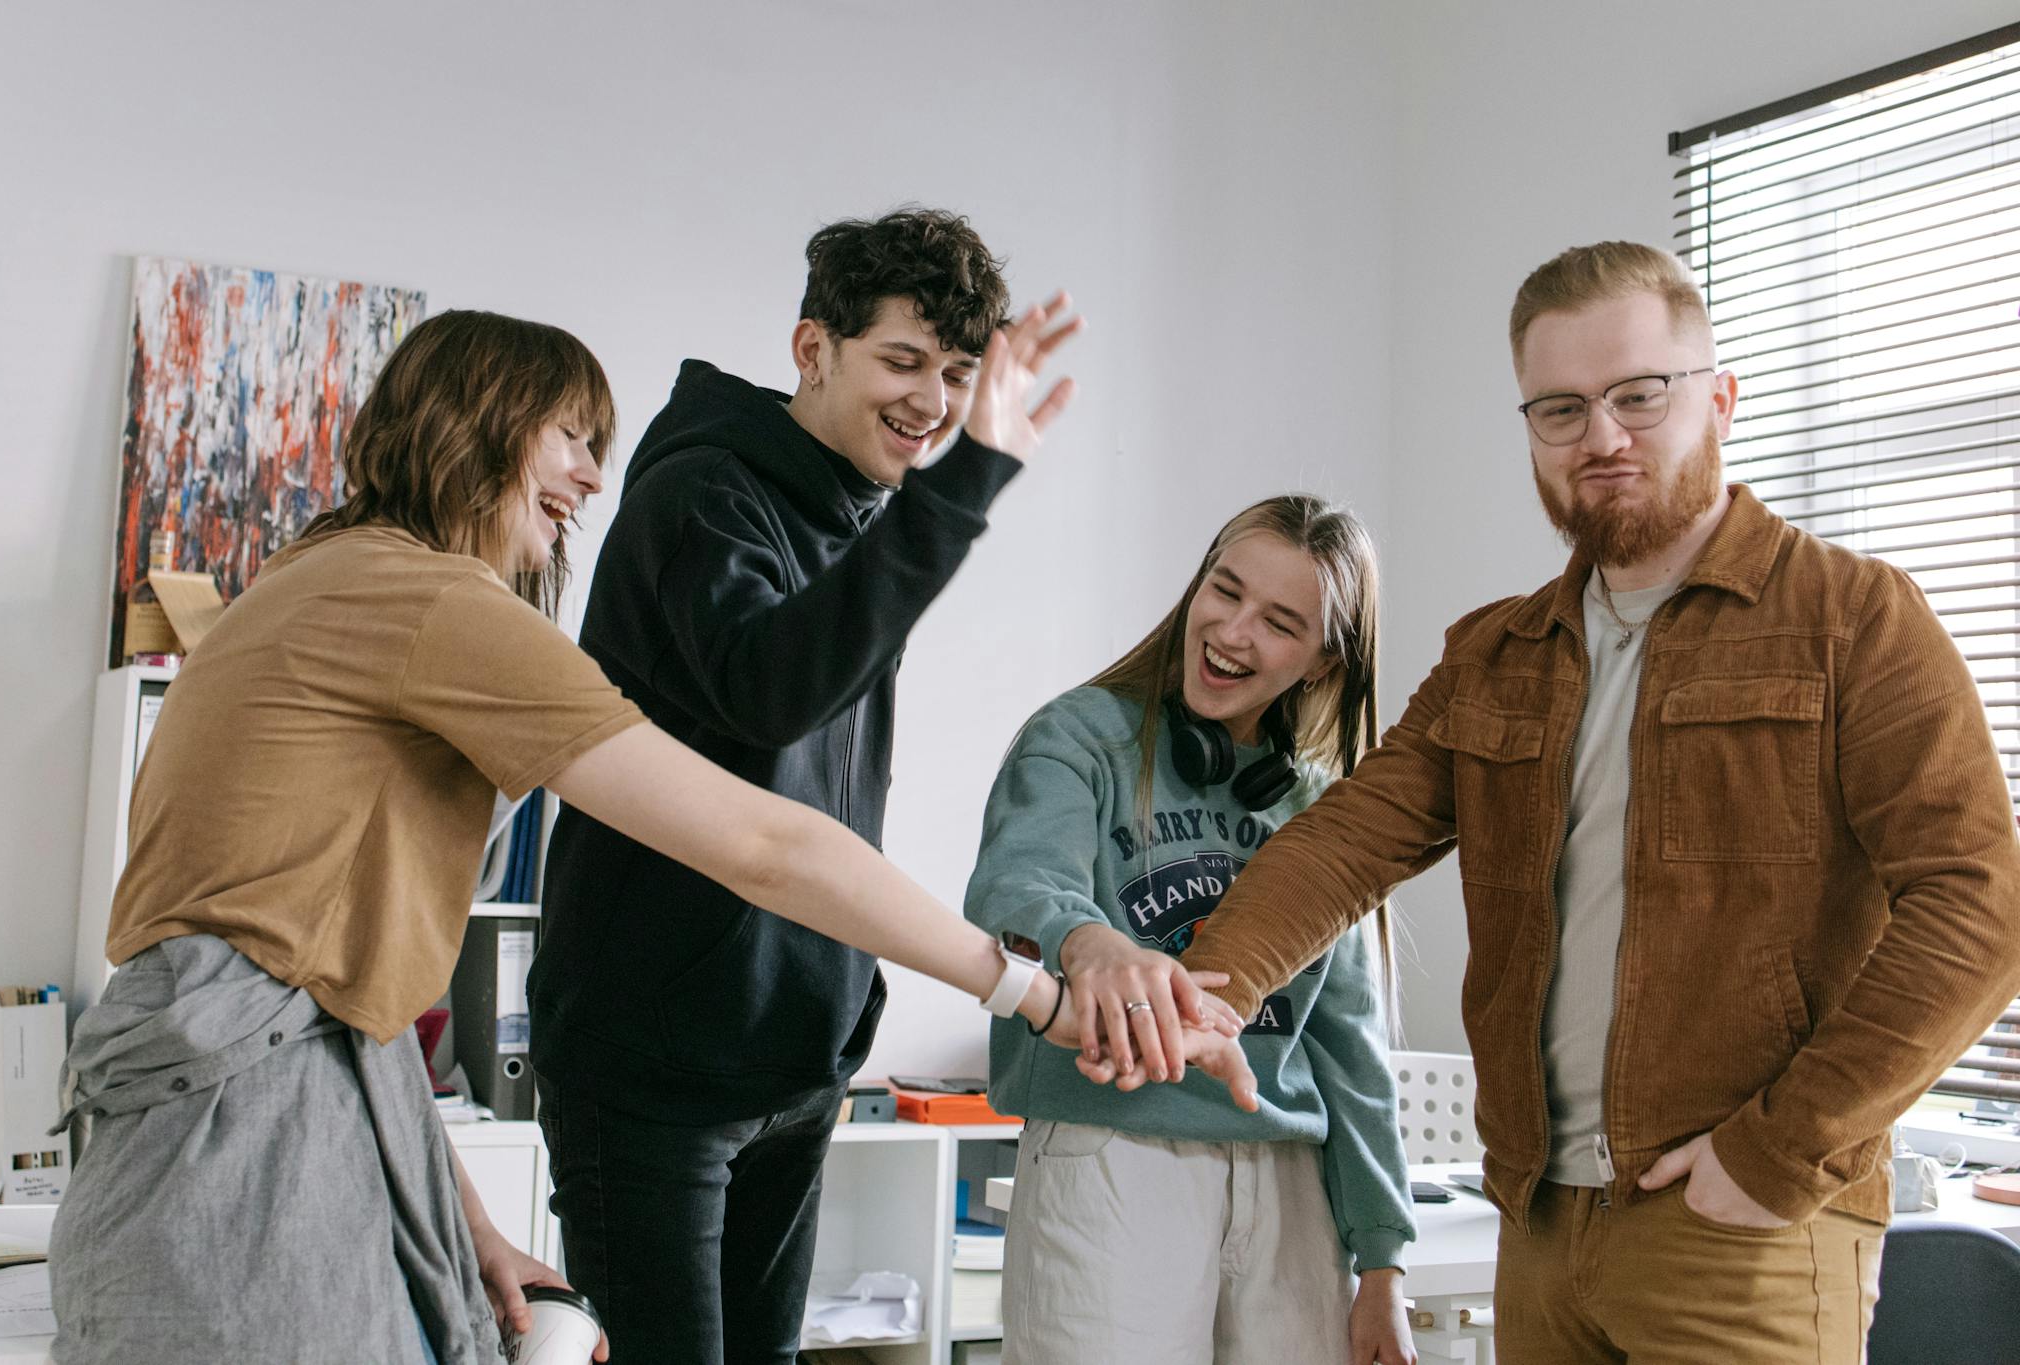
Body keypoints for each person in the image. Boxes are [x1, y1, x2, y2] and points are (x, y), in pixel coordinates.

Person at [47, 308, 1252, 1365]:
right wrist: (1032, 994)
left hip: (238, 1091)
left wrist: (468, 1234)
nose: (585, 476)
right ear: (476, 417)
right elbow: (764, 847)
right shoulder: (427, 600)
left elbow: (328, 994)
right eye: (568, 435)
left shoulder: (315, 578)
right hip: (236, 1120)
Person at [1176, 241, 2020, 1363]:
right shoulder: (1496, 652)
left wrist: (1775, 1153)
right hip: (1535, 1224)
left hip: (1742, 1228)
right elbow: (1345, 843)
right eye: (1560, 409)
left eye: (1638, 395)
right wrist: (1207, 992)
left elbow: (1976, 905)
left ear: (1717, 398)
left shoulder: (1851, 616)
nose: (1602, 438)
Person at [528, 208, 1108, 1364]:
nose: (933, 403)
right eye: (901, 361)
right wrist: (971, 481)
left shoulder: (856, 510)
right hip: (652, 1069)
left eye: (953, 374)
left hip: (796, 1059)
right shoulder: (700, 497)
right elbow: (769, 693)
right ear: (812, 350)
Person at [965, 495, 1418, 1365]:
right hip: (1115, 1157)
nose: (1233, 631)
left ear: (1325, 662)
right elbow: (1019, 881)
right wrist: (1089, 943)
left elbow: (1350, 1050)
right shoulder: (1081, 736)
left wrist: (1383, 1263)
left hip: (1289, 1181)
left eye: (1280, 622)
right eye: (1225, 589)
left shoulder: (1320, 805)